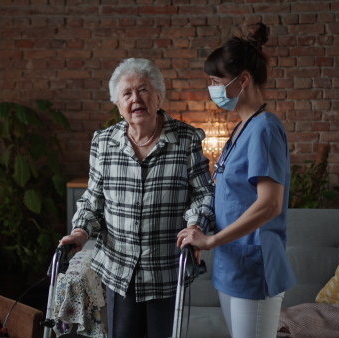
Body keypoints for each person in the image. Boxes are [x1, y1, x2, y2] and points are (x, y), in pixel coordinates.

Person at [59, 57, 215, 338]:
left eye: (143, 90)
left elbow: (203, 194)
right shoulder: (103, 142)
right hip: (119, 272)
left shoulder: (187, 139)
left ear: (158, 96)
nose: (136, 99)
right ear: (118, 105)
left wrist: (195, 225)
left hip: (165, 270)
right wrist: (81, 231)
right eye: (127, 93)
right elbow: (93, 199)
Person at [176, 23, 296, 338]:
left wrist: (212, 241)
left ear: (242, 80)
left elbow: (269, 204)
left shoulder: (265, 129)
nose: (212, 88)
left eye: (216, 81)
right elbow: (229, 197)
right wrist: (199, 229)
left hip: (254, 268)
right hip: (232, 265)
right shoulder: (241, 128)